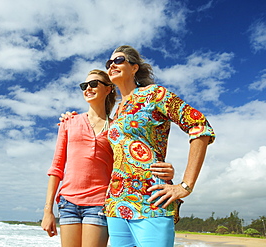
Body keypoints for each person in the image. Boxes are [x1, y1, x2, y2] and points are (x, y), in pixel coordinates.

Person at [41, 69, 175, 247]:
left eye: (94, 84)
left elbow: (131, 161)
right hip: (68, 204)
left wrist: (164, 170)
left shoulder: (115, 128)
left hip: (99, 203)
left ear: (108, 89)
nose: (88, 88)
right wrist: (48, 210)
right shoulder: (68, 123)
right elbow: (56, 168)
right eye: (84, 85)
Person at [103, 45, 216, 247]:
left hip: (151, 198)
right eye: (108, 63)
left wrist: (185, 185)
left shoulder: (154, 94)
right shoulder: (116, 111)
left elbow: (199, 124)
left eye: (118, 60)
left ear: (134, 67)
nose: (112, 65)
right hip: (116, 202)